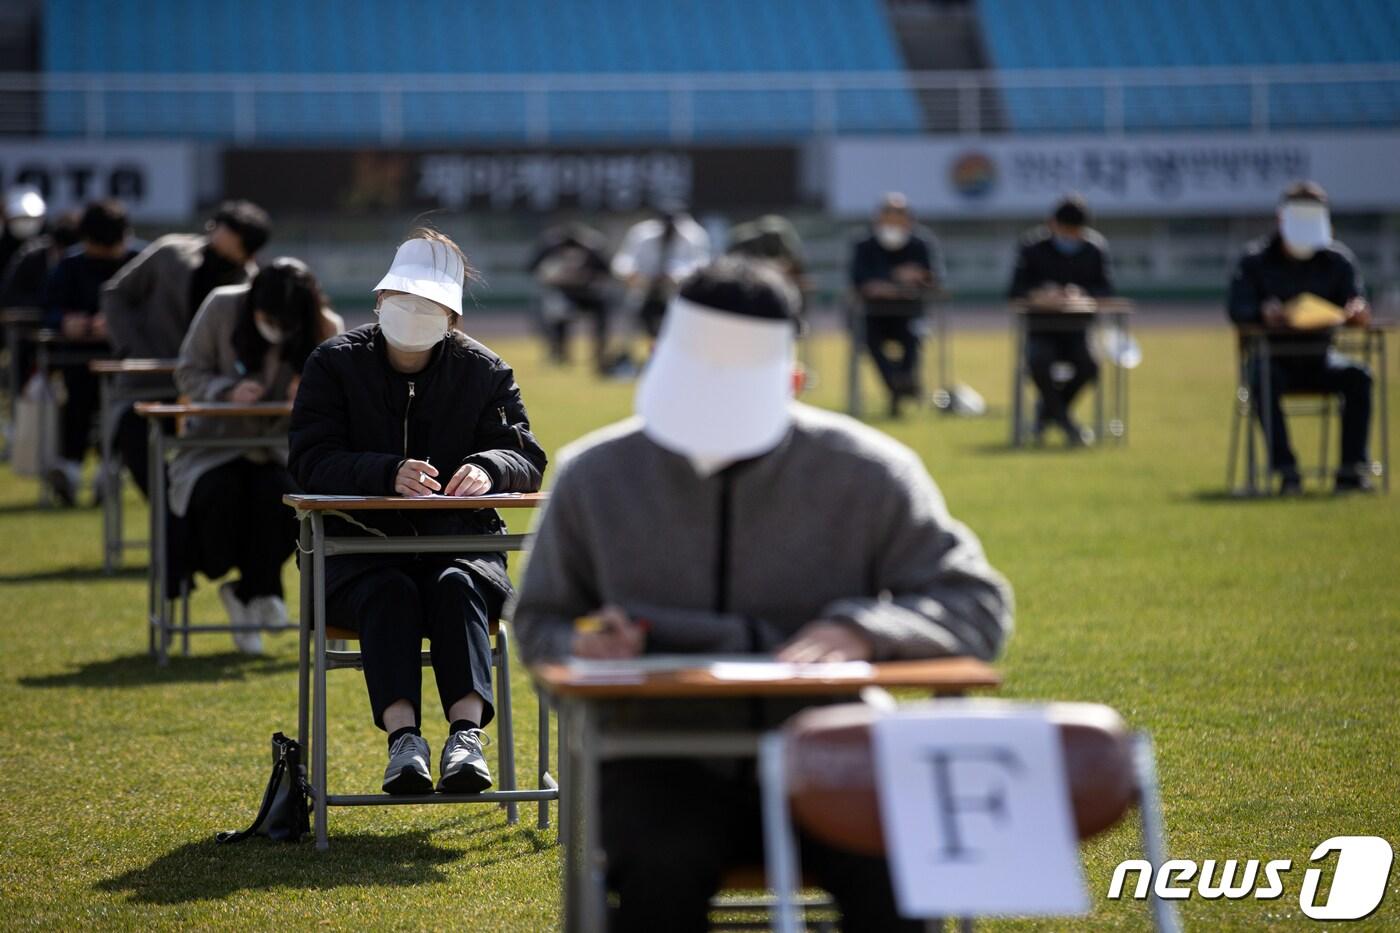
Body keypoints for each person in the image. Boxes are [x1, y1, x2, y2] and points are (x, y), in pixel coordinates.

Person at [512, 256, 1012, 933]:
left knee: (897, 876)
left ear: (792, 380)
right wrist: (579, 645)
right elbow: (539, 617)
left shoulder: (867, 471)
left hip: (837, 753)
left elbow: (976, 602)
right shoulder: (596, 475)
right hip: (657, 759)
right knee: (660, 874)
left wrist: (865, 628)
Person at [288, 229, 547, 794]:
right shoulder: (333, 364)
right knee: (389, 592)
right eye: (401, 300)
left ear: (451, 318)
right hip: (354, 553)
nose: (411, 314)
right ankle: (404, 742)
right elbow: (309, 458)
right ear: (379, 301)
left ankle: (465, 737)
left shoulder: (485, 371)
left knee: (456, 584)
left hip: (460, 545)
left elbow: (525, 454)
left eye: (428, 305)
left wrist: (489, 468)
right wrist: (383, 472)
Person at [171, 258, 344, 653]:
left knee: (287, 500)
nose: (276, 329)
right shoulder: (221, 307)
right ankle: (257, 591)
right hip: (214, 448)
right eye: (269, 318)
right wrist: (225, 390)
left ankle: (248, 592)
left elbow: (343, 395)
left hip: (281, 451)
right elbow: (187, 372)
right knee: (222, 495)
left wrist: (311, 393)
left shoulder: (326, 328)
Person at [102, 200, 271, 497]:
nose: (215, 249)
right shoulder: (169, 253)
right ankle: (169, 516)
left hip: (211, 396)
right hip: (149, 385)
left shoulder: (253, 287)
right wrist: (133, 347)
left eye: (228, 252)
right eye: (216, 237)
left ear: (248, 252)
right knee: (133, 429)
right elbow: (116, 294)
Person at [1227, 181, 1374, 494]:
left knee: (1359, 377)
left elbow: (1355, 302)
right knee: (1262, 378)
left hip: (1321, 358)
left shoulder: (1338, 261)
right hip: (1274, 359)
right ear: (1282, 218)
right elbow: (1237, 308)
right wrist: (1262, 312)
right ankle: (1286, 471)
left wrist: (1357, 311)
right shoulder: (1255, 260)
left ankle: (1351, 472)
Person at [40, 200, 139, 505]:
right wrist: (68, 322)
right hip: (80, 357)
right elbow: (48, 309)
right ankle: (70, 471)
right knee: (76, 404)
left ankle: (110, 471)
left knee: (126, 413)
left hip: (130, 360)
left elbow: (158, 311)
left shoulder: (143, 260)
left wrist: (119, 326)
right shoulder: (71, 265)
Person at [1007, 194, 1114, 445]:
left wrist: (1081, 294)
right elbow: (1015, 291)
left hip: (1077, 330)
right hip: (1041, 329)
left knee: (1089, 366)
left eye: (1076, 231)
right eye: (1066, 230)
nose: (1071, 237)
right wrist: (1040, 295)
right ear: (1052, 224)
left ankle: (1047, 414)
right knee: (1038, 362)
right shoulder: (1032, 248)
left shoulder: (1094, 249)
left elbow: (1106, 290)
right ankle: (1066, 423)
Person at [850, 193, 942, 418]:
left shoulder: (921, 243)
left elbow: (934, 280)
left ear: (909, 221)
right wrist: (896, 278)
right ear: (877, 219)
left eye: (899, 217)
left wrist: (918, 278)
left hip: (909, 313)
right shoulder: (864, 245)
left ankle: (902, 384)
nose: (893, 223)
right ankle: (897, 384)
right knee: (869, 340)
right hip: (874, 316)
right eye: (888, 217)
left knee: (914, 337)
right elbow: (861, 282)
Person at [611, 202, 710, 340]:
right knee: (630, 322)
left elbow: (701, 265)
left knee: (676, 333)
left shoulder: (693, 235)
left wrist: (674, 276)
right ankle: (626, 357)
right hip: (644, 290)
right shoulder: (643, 233)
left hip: (677, 293)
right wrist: (632, 274)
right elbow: (623, 261)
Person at [527, 221, 614, 371]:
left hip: (588, 294)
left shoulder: (593, 247)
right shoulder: (550, 247)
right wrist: (553, 277)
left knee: (602, 312)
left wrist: (585, 277)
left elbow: (607, 272)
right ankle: (558, 353)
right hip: (561, 293)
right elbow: (531, 268)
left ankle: (599, 353)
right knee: (552, 315)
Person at [0, 185, 46, 276]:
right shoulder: (3, 245)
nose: (25, 224)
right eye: (19, 218)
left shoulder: (47, 248)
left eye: (30, 219)